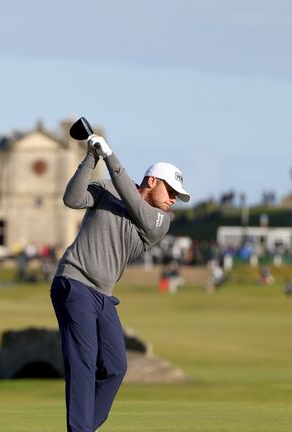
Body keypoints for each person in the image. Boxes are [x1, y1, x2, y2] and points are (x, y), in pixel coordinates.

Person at [50, 133, 190, 432]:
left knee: (115, 367)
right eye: (171, 190)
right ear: (152, 181)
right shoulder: (106, 189)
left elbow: (134, 204)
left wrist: (110, 155)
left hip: (102, 295)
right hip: (74, 283)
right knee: (83, 363)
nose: (174, 199)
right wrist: (91, 157)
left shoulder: (159, 221)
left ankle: (84, 427)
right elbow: (72, 199)